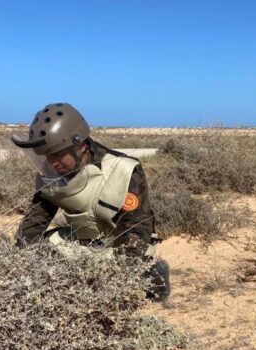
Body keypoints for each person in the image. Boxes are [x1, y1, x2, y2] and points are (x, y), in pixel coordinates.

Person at [10, 102, 170, 301]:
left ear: (81, 145)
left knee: (134, 282)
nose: (53, 163)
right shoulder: (52, 173)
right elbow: (35, 222)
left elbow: (139, 230)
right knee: (40, 249)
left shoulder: (123, 170)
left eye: (58, 155)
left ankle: (154, 272)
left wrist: (115, 275)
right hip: (84, 242)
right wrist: (19, 263)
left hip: (120, 246)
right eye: (48, 157)